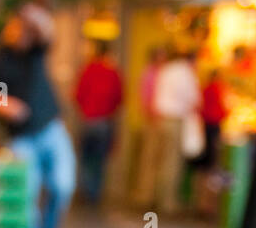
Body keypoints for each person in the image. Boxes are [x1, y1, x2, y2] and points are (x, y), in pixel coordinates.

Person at [0, 3, 76, 228]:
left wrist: (38, 15)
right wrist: (6, 104)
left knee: (62, 184)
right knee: (28, 191)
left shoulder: (36, 51)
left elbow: (48, 32)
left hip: (51, 128)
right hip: (20, 136)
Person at [133, 47, 200, 215]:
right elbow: (194, 99)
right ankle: (167, 202)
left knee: (151, 160)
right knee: (170, 162)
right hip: (173, 119)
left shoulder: (165, 71)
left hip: (159, 118)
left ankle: (146, 197)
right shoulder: (185, 73)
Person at [74, 41, 123, 204]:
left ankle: (85, 189)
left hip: (88, 120)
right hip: (104, 121)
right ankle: (94, 192)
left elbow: (78, 95)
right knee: (99, 159)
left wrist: (86, 110)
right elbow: (119, 98)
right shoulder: (113, 73)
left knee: (86, 156)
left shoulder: (87, 70)